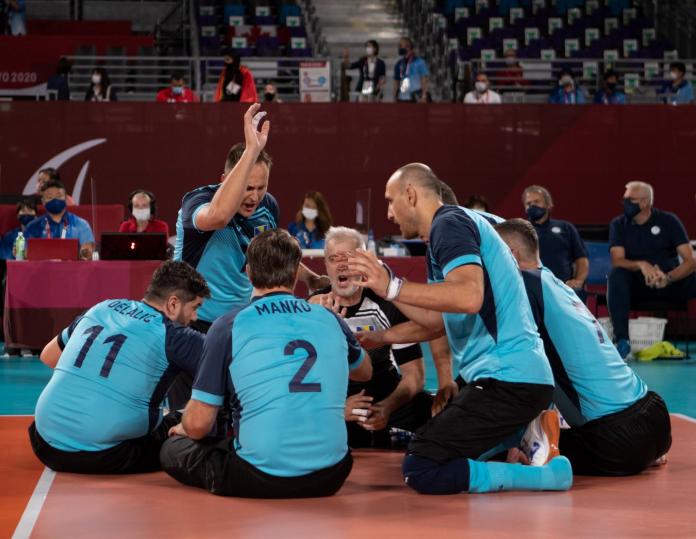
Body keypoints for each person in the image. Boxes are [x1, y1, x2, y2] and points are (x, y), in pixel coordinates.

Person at [347, 163, 572, 496]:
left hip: (508, 381)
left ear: (410, 194)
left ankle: (545, 475)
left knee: (421, 466)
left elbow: (469, 296)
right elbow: (440, 321)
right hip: (514, 378)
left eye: (390, 200)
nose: (389, 213)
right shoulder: (451, 229)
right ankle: (521, 437)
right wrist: (381, 338)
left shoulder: (448, 225)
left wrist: (391, 286)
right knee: (442, 447)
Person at [160, 229, 373, 498]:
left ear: (248, 273)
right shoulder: (329, 318)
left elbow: (199, 425)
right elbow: (364, 372)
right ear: (296, 273)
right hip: (333, 474)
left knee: (173, 448)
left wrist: (184, 427)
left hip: (261, 476)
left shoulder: (228, 325)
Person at [171, 104, 327, 405]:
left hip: (239, 324)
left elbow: (269, 254)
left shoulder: (267, 206)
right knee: (188, 420)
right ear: (227, 179)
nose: (254, 196)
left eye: (261, 186)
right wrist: (252, 150)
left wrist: (309, 277)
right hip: (194, 322)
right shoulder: (198, 201)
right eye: (247, 186)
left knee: (235, 415)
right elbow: (217, 217)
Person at [496, 219, 672, 475]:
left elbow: (524, 373)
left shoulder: (523, 285)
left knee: (496, 450)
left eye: (492, 254)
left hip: (617, 438)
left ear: (511, 255)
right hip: (656, 417)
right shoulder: (560, 285)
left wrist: (513, 442)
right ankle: (645, 452)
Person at [28, 261, 210, 474]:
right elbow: (233, 373)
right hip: (108, 455)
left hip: (45, 444)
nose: (195, 317)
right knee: (192, 422)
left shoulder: (102, 307)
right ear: (173, 304)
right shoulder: (176, 335)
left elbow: (48, 356)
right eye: (195, 307)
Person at [309, 226, 432, 448]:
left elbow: (414, 375)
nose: (341, 265)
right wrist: (337, 409)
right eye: (333, 259)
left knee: (431, 408)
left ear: (365, 261)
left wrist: (386, 406)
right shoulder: (314, 307)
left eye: (348, 257)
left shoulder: (388, 302)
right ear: (326, 266)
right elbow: (300, 383)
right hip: (336, 401)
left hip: (386, 395)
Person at [608, 181, 696, 358]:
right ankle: (622, 341)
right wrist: (641, 264)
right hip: (637, 286)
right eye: (625, 199)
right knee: (616, 275)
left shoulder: (669, 221)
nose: (626, 204)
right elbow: (617, 260)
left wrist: (668, 277)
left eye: (631, 199)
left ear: (646, 202)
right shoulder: (618, 224)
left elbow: (690, 260)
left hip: (669, 283)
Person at [522, 185, 588, 295]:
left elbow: (581, 259)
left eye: (537, 202)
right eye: (528, 204)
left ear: (548, 204)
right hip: (531, 287)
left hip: (564, 287)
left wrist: (578, 281)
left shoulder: (566, 227)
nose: (532, 206)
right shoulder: (520, 230)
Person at [24, 179, 95, 260]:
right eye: (49, 197)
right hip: (42, 271)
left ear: (65, 199)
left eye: (59, 196)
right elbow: (26, 253)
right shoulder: (33, 227)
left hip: (73, 271)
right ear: (43, 201)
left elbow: (87, 253)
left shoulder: (81, 224)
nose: (55, 200)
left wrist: (86, 253)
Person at [393, 37, 429, 103]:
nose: (400, 48)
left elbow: (424, 80)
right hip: (403, 97)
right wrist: (395, 96)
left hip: (416, 98)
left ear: (408, 47)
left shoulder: (420, 62)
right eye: (399, 46)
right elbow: (396, 81)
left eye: (401, 46)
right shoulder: (399, 64)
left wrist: (424, 96)